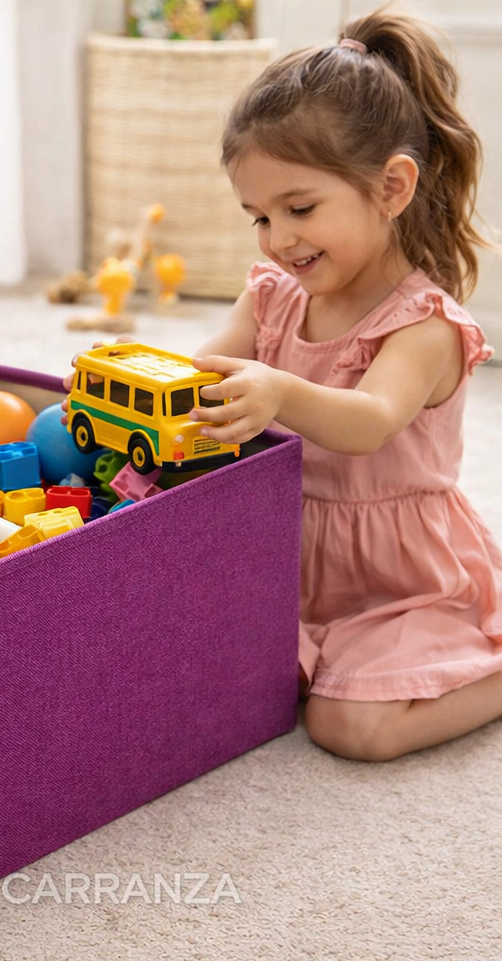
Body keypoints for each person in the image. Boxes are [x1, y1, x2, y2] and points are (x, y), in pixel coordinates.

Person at [186, 10, 502, 761]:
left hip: (398, 583)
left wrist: (281, 392)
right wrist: (130, 380)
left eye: (300, 208)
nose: (277, 237)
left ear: (392, 186)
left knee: (347, 726)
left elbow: (369, 420)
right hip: (288, 555)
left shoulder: (423, 325)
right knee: (195, 673)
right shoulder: (270, 294)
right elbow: (204, 374)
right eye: (258, 216)